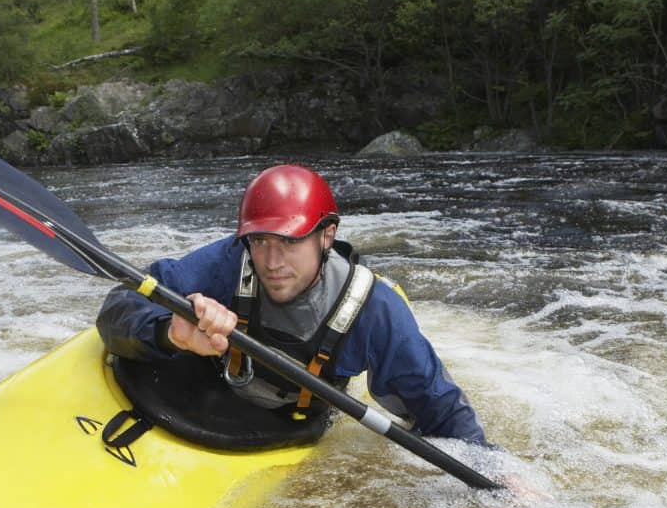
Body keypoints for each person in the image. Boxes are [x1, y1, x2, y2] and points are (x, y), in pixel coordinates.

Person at [96, 164, 489, 449]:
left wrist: (495, 471)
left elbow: (438, 408)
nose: (271, 262)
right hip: (209, 388)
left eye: (290, 242)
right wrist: (169, 330)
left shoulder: (374, 310)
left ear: (327, 236)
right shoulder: (231, 260)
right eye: (261, 240)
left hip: (291, 420)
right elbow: (120, 305)